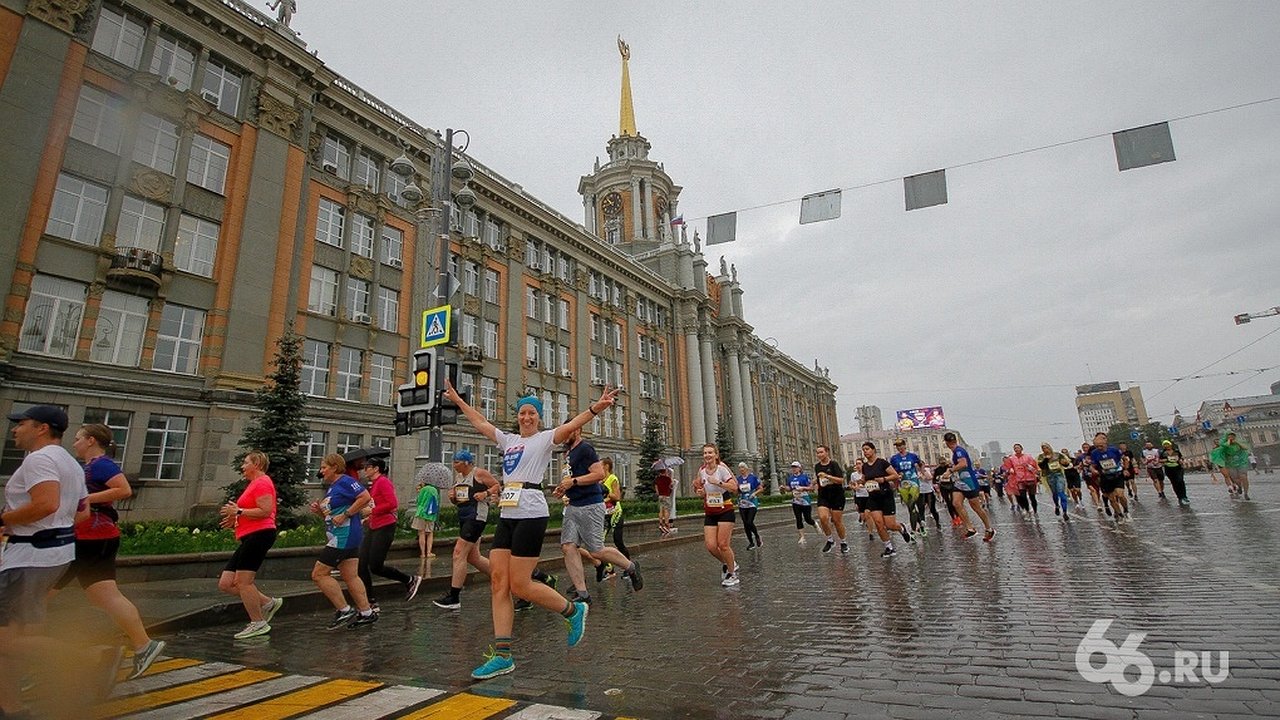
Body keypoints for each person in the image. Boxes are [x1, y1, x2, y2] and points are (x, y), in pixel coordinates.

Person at [442, 379, 618, 680]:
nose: (526, 417)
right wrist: (458, 401)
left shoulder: (545, 439)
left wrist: (596, 408)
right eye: (522, 413)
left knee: (520, 585)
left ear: (538, 418)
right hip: (509, 514)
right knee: (499, 582)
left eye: (532, 414)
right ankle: (502, 655)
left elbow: (573, 423)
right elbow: (481, 422)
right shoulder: (508, 440)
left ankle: (573, 611)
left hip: (532, 512)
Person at [1, 405, 111, 714]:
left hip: (28, 559)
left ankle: (90, 657)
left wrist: (6, 519)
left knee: (5, 641)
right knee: (17, 636)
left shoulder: (40, 460)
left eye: (21, 424)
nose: (15, 429)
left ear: (41, 428)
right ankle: (11, 707)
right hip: (53, 555)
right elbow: (82, 513)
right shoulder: (72, 464)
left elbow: (46, 504)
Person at [53, 423, 165, 678]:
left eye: (79, 438)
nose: (74, 443)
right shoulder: (89, 466)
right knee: (104, 596)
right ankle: (144, 645)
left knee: (39, 594)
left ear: (91, 440)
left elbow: (124, 490)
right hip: (93, 537)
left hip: (90, 538)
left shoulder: (102, 464)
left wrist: (82, 498)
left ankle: (30, 658)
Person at [555, 429, 642, 605]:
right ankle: (582, 592)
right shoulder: (568, 453)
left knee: (596, 550)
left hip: (591, 504)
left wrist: (573, 482)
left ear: (577, 431)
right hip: (573, 504)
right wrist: (563, 488)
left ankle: (631, 567)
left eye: (568, 432)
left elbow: (598, 475)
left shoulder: (586, 448)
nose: (564, 436)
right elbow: (573, 478)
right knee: (568, 546)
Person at [217, 451, 283, 639]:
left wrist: (238, 511)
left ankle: (258, 622)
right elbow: (250, 512)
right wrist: (236, 519)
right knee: (226, 583)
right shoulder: (254, 484)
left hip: (260, 535)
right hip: (250, 535)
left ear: (257, 464)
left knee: (243, 582)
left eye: (246, 463)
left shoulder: (262, 482)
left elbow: (265, 510)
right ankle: (268, 603)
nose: (242, 467)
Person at [310, 453, 376, 630]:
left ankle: (344, 609)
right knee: (350, 575)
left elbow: (365, 497)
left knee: (319, 574)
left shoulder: (345, 481)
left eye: (324, 467)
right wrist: (319, 511)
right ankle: (366, 612)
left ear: (334, 467)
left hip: (344, 536)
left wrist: (347, 514)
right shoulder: (333, 487)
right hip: (341, 534)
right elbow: (332, 516)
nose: (321, 471)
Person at [432, 453, 499, 610]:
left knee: (458, 553)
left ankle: (454, 597)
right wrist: (452, 497)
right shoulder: (459, 477)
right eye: (453, 462)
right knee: (473, 557)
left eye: (457, 462)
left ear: (467, 462)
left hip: (476, 516)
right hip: (464, 516)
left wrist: (485, 493)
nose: (454, 465)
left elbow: (496, 485)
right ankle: (502, 577)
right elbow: (459, 500)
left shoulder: (479, 473)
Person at [357, 457, 423, 606]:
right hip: (375, 526)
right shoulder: (374, 484)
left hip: (385, 527)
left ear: (376, 469)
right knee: (361, 565)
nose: (365, 469)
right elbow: (379, 505)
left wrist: (372, 510)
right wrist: (369, 517)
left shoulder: (383, 482)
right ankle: (369, 601)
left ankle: (409, 580)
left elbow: (392, 504)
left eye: (368, 467)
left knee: (375, 566)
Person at [695, 443, 739, 586]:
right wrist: (700, 492)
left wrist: (719, 482)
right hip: (710, 511)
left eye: (710, 453)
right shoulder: (701, 470)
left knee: (723, 545)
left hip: (725, 509)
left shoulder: (722, 469)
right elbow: (700, 488)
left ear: (716, 455)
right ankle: (729, 562)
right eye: (705, 453)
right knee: (711, 546)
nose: (707, 455)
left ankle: (732, 574)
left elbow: (734, 488)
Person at [858, 442, 911, 557]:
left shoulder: (882, 463)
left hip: (885, 496)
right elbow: (864, 478)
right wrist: (861, 482)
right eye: (863, 450)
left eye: (867, 449)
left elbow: (895, 475)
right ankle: (889, 547)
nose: (865, 452)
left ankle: (901, 528)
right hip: (873, 497)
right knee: (878, 523)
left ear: (873, 450)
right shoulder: (865, 466)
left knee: (890, 525)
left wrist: (883, 479)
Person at [941, 433, 995, 541]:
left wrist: (950, 471)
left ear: (946, 443)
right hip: (960, 482)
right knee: (956, 503)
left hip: (969, 482)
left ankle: (989, 528)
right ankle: (970, 528)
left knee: (975, 507)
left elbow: (963, 464)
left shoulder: (959, 451)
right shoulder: (956, 451)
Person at [813, 444, 848, 553]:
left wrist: (827, 476)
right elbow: (820, 481)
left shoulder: (834, 464)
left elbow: (841, 480)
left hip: (837, 495)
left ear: (827, 452)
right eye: (817, 452)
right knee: (823, 518)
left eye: (821, 452)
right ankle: (830, 540)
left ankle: (843, 542)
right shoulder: (817, 466)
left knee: (837, 521)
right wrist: (815, 484)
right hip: (823, 495)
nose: (819, 454)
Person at [1089, 433, 1129, 522]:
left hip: (1117, 475)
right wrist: (1093, 470)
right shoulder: (1094, 453)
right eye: (1097, 446)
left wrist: (1125, 469)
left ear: (1105, 443)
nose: (1099, 448)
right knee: (1112, 499)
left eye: (1101, 446)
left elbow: (1125, 459)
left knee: (1120, 495)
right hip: (1105, 477)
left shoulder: (1114, 450)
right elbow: (1092, 465)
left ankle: (1126, 510)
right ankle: (1119, 514)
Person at [889, 439, 926, 536]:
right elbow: (891, 471)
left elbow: (921, 463)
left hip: (914, 483)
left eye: (901, 445)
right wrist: (896, 477)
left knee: (912, 504)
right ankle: (921, 525)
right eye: (897, 446)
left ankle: (913, 531)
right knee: (911, 508)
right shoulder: (894, 458)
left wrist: (922, 473)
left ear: (905, 445)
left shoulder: (912, 456)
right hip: (903, 485)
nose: (899, 448)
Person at [601, 458, 630, 561]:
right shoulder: (600, 480)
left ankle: (628, 565)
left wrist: (607, 494)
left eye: (601, 465)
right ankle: (609, 569)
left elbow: (617, 497)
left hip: (615, 513)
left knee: (618, 541)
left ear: (606, 466)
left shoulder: (612, 478)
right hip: (604, 515)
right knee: (599, 543)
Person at [1210, 432, 1251, 500]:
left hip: (1241, 462)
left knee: (1243, 476)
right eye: (1229, 437)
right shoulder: (1223, 445)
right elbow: (1225, 446)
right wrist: (1229, 441)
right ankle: (1239, 486)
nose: (1231, 438)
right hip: (1230, 464)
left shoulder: (1238, 442)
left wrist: (1237, 442)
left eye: (1232, 436)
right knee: (1235, 479)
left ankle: (1246, 493)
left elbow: (1245, 447)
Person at [1036, 443, 1071, 519]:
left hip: (1059, 475)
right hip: (1049, 476)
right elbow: (1041, 466)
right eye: (1043, 448)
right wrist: (1046, 459)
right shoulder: (1041, 457)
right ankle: (1057, 505)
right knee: (1055, 493)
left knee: (1061, 493)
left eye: (1046, 447)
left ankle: (1065, 512)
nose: (1045, 449)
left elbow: (1066, 463)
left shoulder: (1057, 455)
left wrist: (1065, 463)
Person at [1003, 444, 1039, 516]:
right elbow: (1008, 467)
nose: (1016, 449)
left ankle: (1035, 511)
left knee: (1032, 497)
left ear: (1021, 448)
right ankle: (1027, 509)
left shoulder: (1028, 457)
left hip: (1030, 479)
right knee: (1022, 496)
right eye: (1015, 448)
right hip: (1019, 480)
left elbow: (1035, 467)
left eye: (1018, 448)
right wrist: (1011, 470)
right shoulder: (1011, 458)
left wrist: (1029, 467)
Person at [786, 461, 816, 543]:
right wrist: (784, 488)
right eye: (792, 467)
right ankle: (802, 537)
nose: (794, 469)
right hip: (796, 501)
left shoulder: (804, 477)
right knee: (798, 518)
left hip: (805, 500)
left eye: (795, 467)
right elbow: (789, 488)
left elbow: (811, 488)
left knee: (808, 519)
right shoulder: (790, 478)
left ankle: (814, 524)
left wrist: (803, 488)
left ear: (799, 468)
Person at [735, 462, 763, 549]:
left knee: (749, 522)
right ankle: (751, 543)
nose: (741, 470)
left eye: (743, 468)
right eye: (740, 468)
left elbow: (761, 488)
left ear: (746, 469)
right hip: (742, 503)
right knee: (745, 524)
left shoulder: (753, 478)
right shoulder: (738, 479)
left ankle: (757, 536)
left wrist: (754, 493)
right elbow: (737, 491)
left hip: (752, 503)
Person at [412, 478, 440, 559]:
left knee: (421, 533)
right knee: (430, 533)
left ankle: (423, 554)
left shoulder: (422, 490)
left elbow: (418, 501)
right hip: (430, 514)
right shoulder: (434, 490)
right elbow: (436, 502)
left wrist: (418, 492)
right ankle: (428, 552)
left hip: (420, 513)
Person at [1159, 440, 1190, 506]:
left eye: (1167, 444)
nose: (1166, 446)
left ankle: (1184, 496)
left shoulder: (1176, 451)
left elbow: (1181, 457)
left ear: (1170, 445)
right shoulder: (1163, 452)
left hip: (1178, 468)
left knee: (1180, 481)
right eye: (1164, 445)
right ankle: (1179, 497)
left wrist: (1181, 460)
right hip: (1169, 469)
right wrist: (1166, 460)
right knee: (1174, 483)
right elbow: (1160, 460)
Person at [655, 468, 675, 534]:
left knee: (661, 509)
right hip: (666, 496)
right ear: (665, 471)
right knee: (667, 510)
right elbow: (671, 486)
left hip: (660, 496)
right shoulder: (668, 479)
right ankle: (666, 524)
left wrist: (658, 493)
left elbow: (656, 487)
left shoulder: (657, 479)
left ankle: (660, 523)